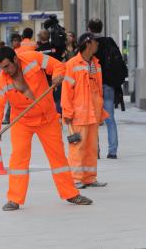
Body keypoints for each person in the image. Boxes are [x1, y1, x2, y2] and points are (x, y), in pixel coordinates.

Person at [0, 46, 93, 211]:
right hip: (22, 121)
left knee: (58, 158)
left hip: (47, 118)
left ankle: (71, 194)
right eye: (2, 68)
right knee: (18, 159)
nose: (5, 71)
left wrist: (58, 75)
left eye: (7, 66)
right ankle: (14, 199)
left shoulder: (33, 58)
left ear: (15, 59)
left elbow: (58, 65)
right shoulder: (2, 81)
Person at [61, 32, 109, 189]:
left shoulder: (96, 64)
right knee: (78, 147)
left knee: (91, 147)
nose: (98, 44)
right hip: (79, 114)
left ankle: (89, 177)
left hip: (93, 113)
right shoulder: (72, 64)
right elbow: (66, 91)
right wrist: (67, 112)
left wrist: (100, 112)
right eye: (96, 42)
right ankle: (76, 178)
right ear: (88, 43)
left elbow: (98, 90)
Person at [88, 18, 127, 159]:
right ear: (101, 27)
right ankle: (112, 151)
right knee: (110, 119)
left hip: (93, 85)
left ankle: (95, 150)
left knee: (93, 120)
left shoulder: (88, 44)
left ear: (89, 28)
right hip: (109, 85)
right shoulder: (109, 42)